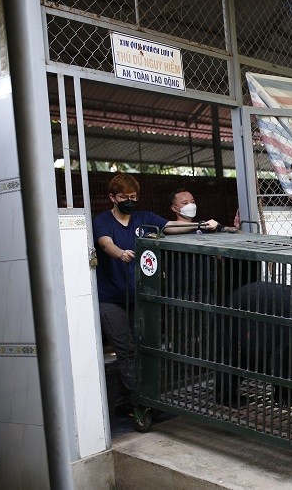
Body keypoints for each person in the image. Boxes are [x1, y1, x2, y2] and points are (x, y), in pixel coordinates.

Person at [93, 174, 212, 415]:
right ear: (112, 197)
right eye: (125, 197)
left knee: (145, 346)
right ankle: (145, 400)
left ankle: (124, 402)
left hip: (139, 296)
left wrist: (201, 225)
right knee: (126, 349)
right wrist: (120, 253)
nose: (130, 201)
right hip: (110, 300)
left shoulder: (144, 218)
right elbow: (105, 243)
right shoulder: (103, 220)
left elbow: (170, 226)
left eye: (133, 197)